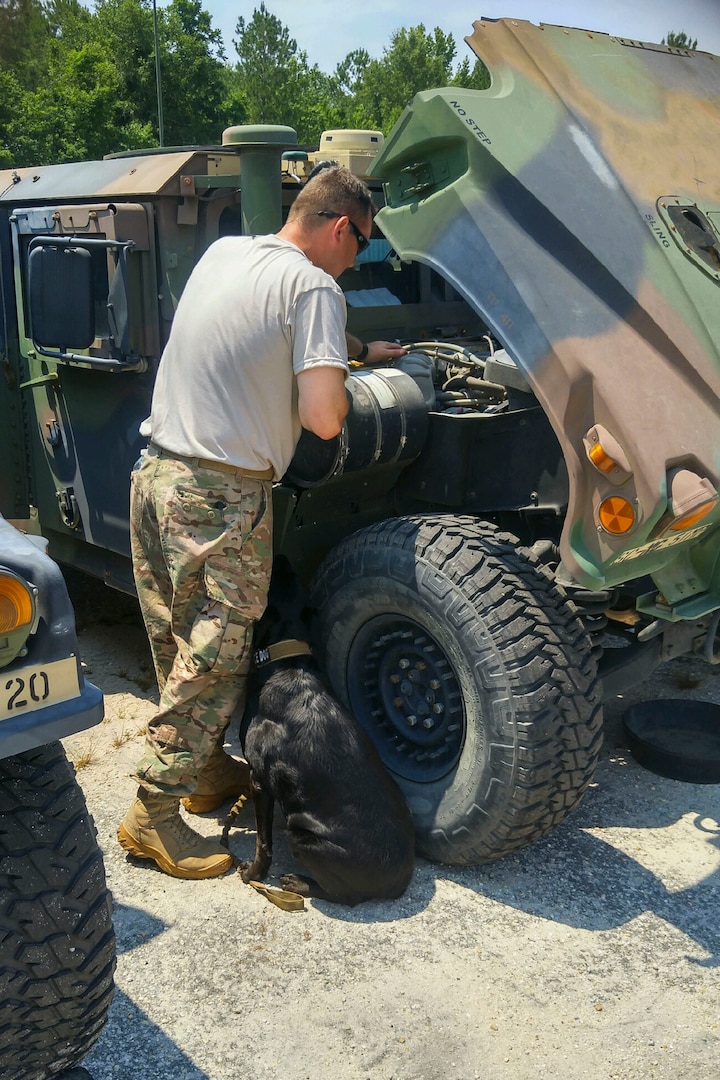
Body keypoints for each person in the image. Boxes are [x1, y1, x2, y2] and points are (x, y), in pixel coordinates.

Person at [118, 166, 381, 880]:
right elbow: (323, 417)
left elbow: (255, 339)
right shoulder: (317, 286)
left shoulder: (226, 253)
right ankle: (154, 813)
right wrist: (356, 386)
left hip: (157, 476)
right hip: (222, 497)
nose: (356, 261)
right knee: (217, 657)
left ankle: (200, 776)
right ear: (338, 228)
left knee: (179, 642)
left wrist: (352, 353)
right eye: (360, 244)